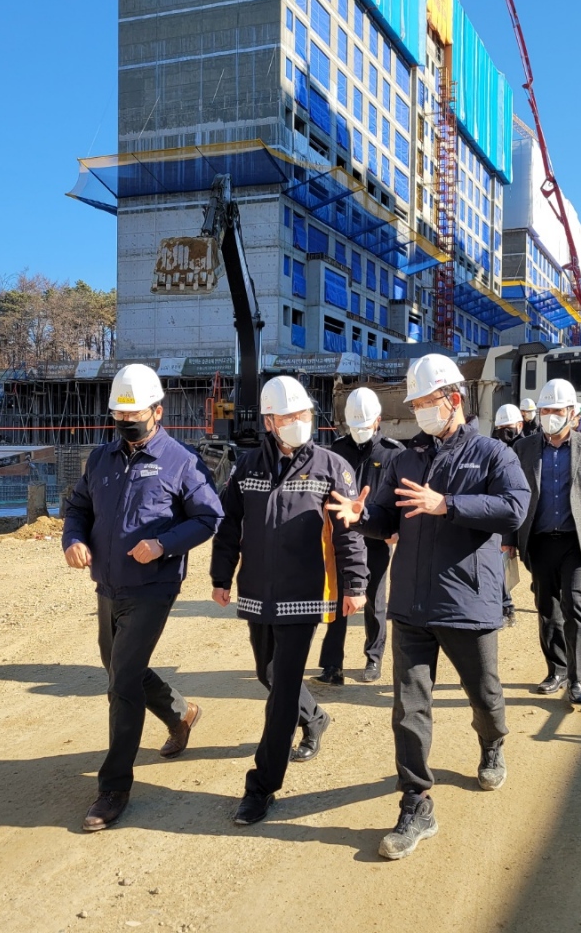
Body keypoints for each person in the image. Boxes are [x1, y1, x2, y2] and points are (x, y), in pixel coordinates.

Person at [327, 353, 530, 861]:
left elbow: (514, 508)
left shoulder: (491, 454)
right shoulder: (405, 460)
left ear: (453, 399)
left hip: (467, 603)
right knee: (409, 710)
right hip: (411, 606)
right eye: (414, 403)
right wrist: (359, 517)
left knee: (484, 694)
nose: (418, 411)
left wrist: (449, 505)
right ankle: (416, 804)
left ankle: (492, 743)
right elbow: (385, 519)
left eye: (424, 402)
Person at [62, 364, 224, 832]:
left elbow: (209, 517)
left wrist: (163, 545)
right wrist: (73, 539)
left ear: (158, 411)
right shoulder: (101, 459)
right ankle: (181, 713)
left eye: (135, 415)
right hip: (108, 584)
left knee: (123, 683)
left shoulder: (182, 461)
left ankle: (114, 787)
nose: (127, 423)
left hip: (154, 586)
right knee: (118, 667)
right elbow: (78, 507)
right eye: (120, 416)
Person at [211, 375, 368, 826]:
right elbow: (229, 525)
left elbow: (348, 533)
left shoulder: (332, 467)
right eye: (288, 416)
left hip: (304, 595)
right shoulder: (246, 468)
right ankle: (314, 718)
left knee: (281, 694)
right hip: (258, 593)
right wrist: (221, 576)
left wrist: (355, 585)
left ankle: (261, 786)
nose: (298, 422)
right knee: (268, 673)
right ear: (269, 422)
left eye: (303, 414)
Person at [508, 379, 581, 705]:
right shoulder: (524, 448)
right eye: (545, 410)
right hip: (539, 541)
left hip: (577, 541)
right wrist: (509, 537)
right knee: (547, 608)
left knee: (575, 604)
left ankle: (577, 679)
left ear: (572, 412)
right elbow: (511, 495)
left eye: (557, 410)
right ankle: (556, 670)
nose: (550, 416)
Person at [316, 387, 402, 684]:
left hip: (376, 536)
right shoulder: (336, 450)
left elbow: (400, 496)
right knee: (338, 598)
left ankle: (373, 657)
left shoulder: (393, 453)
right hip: (342, 536)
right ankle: (332, 665)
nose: (360, 431)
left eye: (365, 425)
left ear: (378, 420)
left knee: (374, 598)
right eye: (355, 426)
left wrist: (396, 529)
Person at [492, 403, 524, 628]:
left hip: (527, 517)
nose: (505, 432)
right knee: (498, 565)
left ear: (520, 425)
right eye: (501, 428)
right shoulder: (493, 450)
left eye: (509, 427)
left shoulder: (529, 448)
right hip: (502, 517)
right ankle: (506, 606)